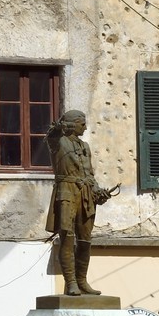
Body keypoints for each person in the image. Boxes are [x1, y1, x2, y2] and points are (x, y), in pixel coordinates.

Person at [45, 110, 113, 297]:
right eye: (82, 123)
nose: (85, 127)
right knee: (67, 236)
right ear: (72, 124)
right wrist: (61, 125)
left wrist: (98, 191)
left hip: (85, 193)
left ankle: (82, 281)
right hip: (66, 190)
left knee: (85, 239)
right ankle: (71, 282)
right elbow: (52, 133)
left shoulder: (85, 147)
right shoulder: (58, 142)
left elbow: (89, 174)